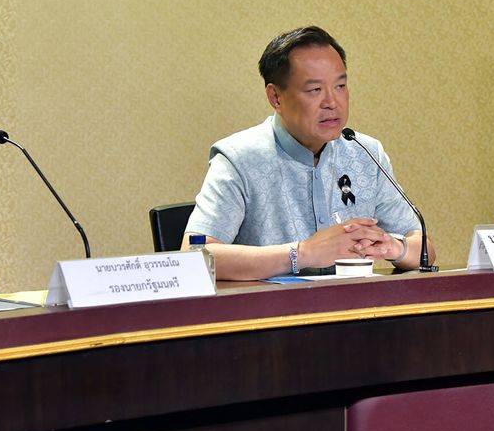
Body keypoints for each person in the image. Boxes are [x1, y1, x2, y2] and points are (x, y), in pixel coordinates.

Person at [183, 26, 433, 280]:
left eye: (340, 86)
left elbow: (423, 249)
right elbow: (196, 257)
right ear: (276, 97)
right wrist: (304, 253)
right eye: (315, 90)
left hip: (354, 304)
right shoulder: (240, 158)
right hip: (273, 305)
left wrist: (394, 247)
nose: (332, 102)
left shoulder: (365, 153)